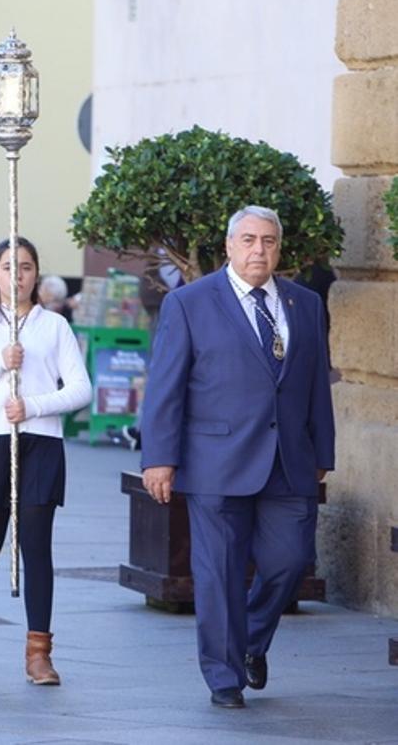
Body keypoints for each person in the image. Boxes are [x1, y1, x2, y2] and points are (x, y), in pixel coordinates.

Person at [140, 205, 334, 709]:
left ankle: (249, 640)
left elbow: (316, 385)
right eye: (248, 240)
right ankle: (224, 676)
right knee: (218, 571)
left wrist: (323, 452)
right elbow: (165, 386)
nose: (259, 250)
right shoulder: (189, 303)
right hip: (215, 461)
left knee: (290, 561)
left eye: (268, 241)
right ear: (229, 246)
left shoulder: (306, 304)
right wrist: (158, 458)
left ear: (279, 248)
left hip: (289, 461)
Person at [0, 237, 91, 685]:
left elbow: (80, 389)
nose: (18, 275)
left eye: (26, 267)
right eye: (9, 267)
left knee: (37, 548)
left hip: (39, 442)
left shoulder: (54, 326)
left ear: (37, 274)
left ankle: (38, 652)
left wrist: (34, 405)